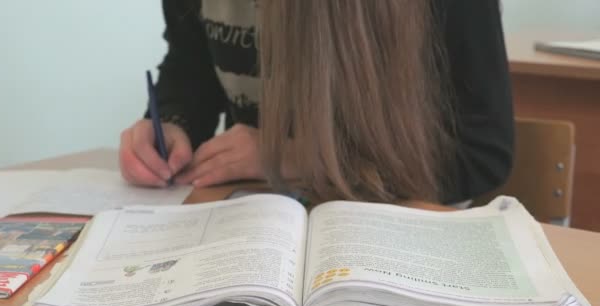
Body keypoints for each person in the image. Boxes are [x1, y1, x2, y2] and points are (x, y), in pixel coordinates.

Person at [119, 0, 514, 205]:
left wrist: (294, 158)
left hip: (403, 231)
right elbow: (193, 66)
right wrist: (171, 122)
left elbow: (482, 152)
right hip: (254, 222)